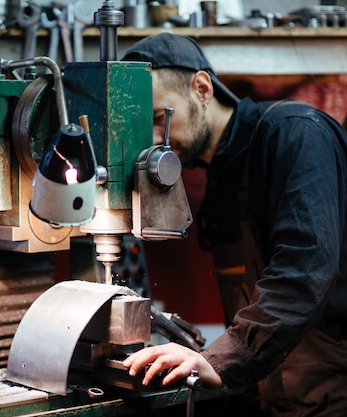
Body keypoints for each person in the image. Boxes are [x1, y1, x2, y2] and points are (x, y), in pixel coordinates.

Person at [121, 33, 347, 416]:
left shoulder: (293, 134)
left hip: (331, 390)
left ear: (202, 88)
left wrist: (225, 358)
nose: (156, 140)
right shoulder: (223, 172)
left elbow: (305, 269)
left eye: (161, 118)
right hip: (271, 388)